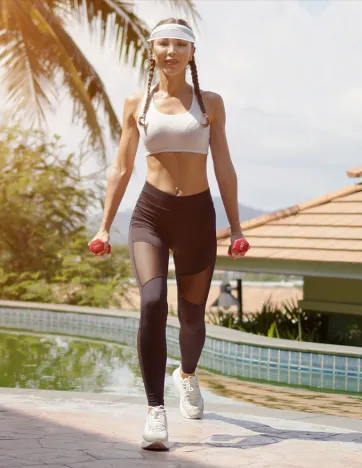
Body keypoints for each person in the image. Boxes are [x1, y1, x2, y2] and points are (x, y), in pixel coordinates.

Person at [88, 18, 249, 450]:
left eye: (181, 45)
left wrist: (235, 227)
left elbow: (224, 166)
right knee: (153, 301)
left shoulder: (210, 103)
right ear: (152, 50)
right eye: (164, 44)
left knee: (193, 316)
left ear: (192, 53)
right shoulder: (136, 104)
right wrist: (105, 225)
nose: (172, 51)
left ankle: (188, 376)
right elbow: (121, 167)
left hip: (197, 216)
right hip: (151, 215)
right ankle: (155, 411)